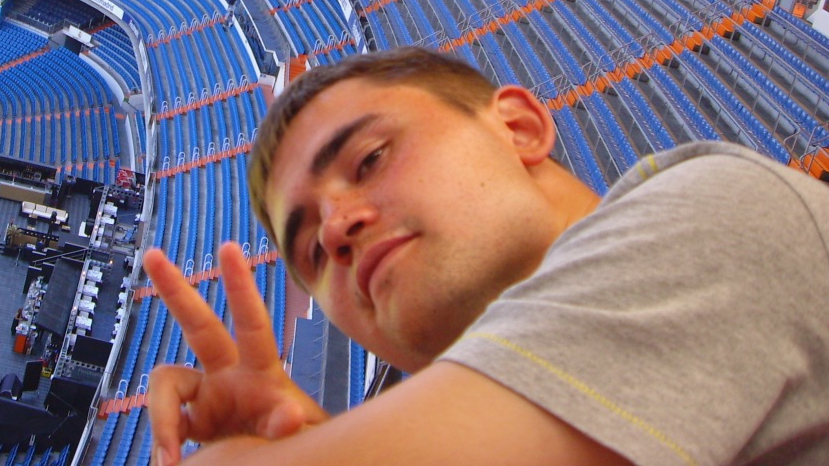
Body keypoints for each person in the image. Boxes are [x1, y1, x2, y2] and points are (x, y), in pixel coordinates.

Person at [145, 47, 829, 466]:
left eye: (371, 159)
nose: (335, 231)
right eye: (310, 252)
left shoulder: (712, 215)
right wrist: (310, 438)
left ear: (520, 129)